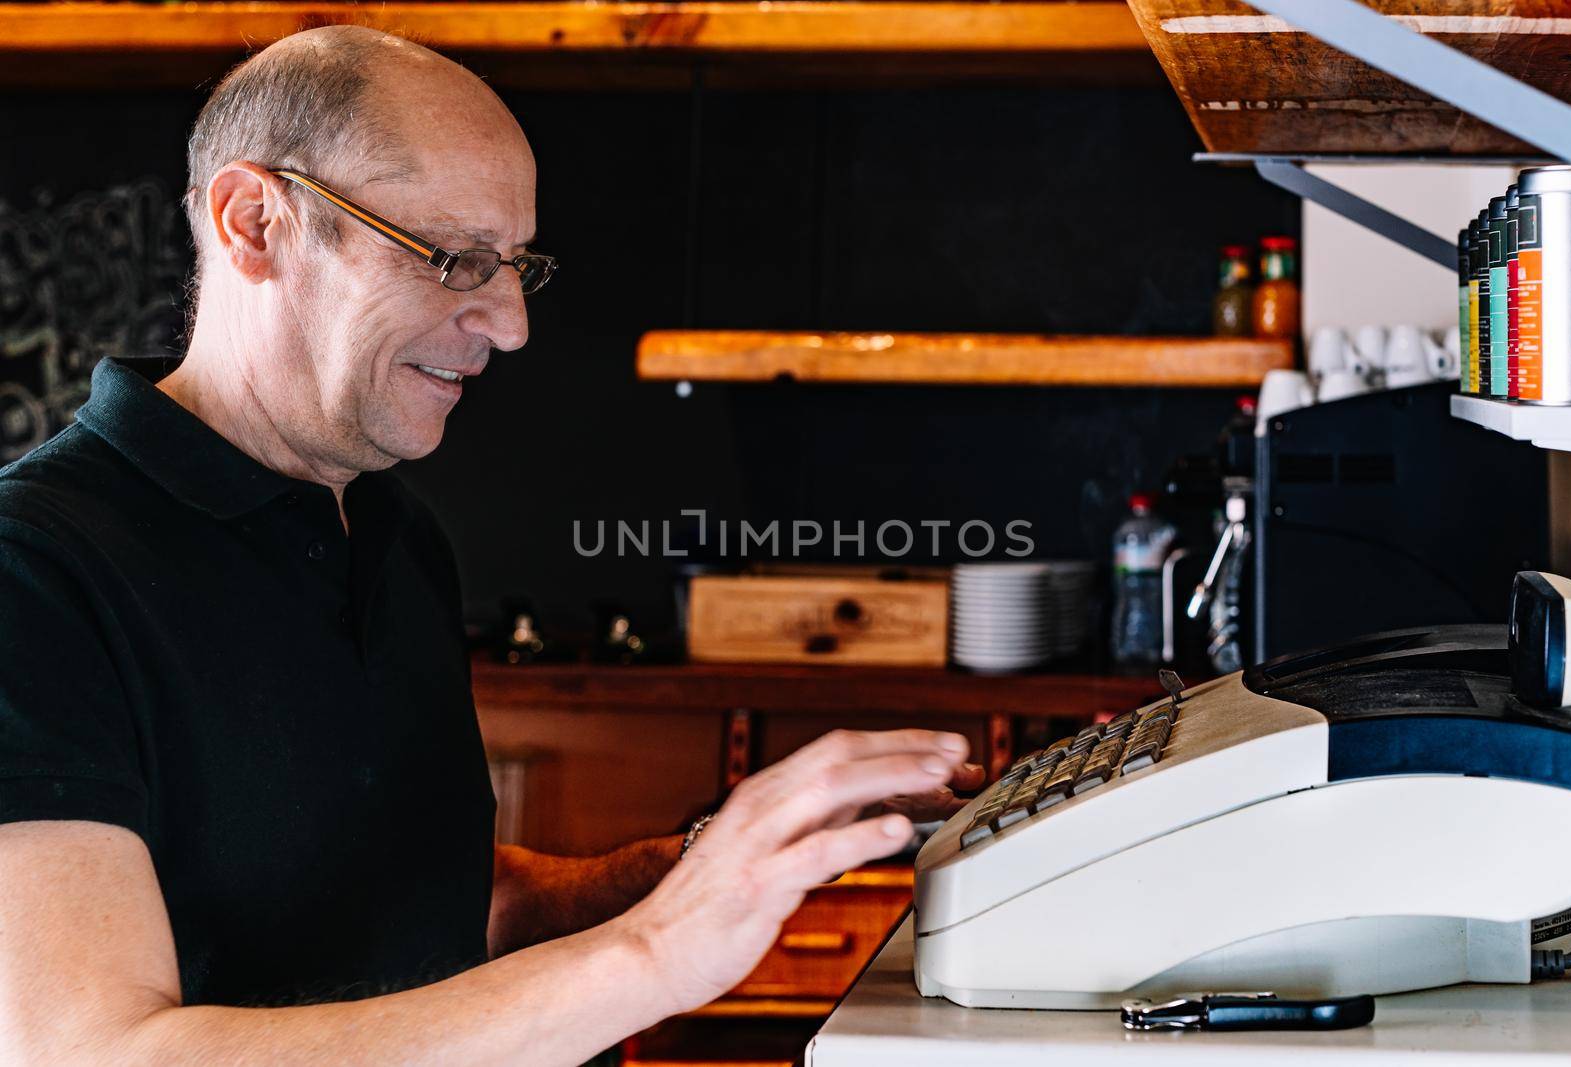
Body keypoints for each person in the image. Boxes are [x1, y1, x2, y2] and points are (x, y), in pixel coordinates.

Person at [0, 26, 982, 1064]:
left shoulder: (394, 531)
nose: (509, 323)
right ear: (257, 222)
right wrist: (658, 948)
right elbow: (93, 1050)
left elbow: (453, 907)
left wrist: (719, 861)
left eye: (515, 266)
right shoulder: (35, 572)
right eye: (456, 258)